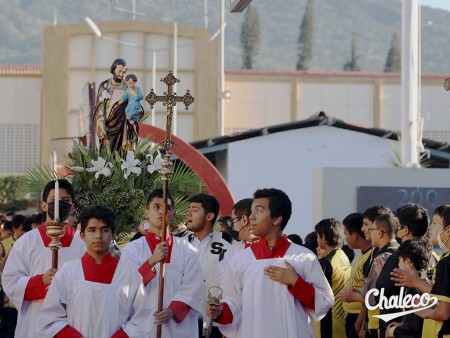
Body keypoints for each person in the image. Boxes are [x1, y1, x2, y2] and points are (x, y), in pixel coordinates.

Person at [207, 188, 334, 338]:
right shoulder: (240, 260)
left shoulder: (304, 258)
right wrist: (220, 312)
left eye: (259, 211)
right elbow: (232, 303)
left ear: (277, 219)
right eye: (252, 211)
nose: (251, 218)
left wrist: (296, 282)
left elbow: (324, 303)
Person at [36, 205, 152, 337]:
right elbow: (49, 319)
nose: (98, 236)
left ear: (113, 234)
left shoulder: (130, 275)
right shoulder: (67, 274)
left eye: (105, 230)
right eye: (92, 230)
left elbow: (142, 320)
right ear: (82, 235)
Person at [1, 179, 86, 338]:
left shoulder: (83, 243)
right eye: (54, 201)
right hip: (35, 320)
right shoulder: (26, 242)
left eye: (66, 201)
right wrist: (41, 281)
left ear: (73, 207)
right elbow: (10, 281)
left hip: (73, 320)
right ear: (44, 206)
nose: (60, 205)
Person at [121, 189, 203, 338]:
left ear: (174, 215)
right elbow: (126, 285)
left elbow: (194, 285)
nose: (161, 212)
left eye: (168, 208)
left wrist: (173, 310)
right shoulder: (133, 249)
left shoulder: (188, 250)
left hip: (179, 327)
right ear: (146, 213)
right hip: (144, 325)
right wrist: (152, 261)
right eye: (156, 207)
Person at [375, 203, 431, 338]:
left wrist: (380, 277)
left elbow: (381, 295)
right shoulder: (432, 254)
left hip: (399, 330)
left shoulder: (401, 257)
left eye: (397, 226)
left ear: (405, 230)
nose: (395, 231)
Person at [185, 193, 231, 338]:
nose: (188, 213)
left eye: (195, 209)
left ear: (209, 216)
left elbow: (232, 287)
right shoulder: (178, 243)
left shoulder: (227, 249)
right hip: (179, 320)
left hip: (213, 325)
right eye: (189, 208)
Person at [385, 237, 432, 338]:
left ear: (408, 262)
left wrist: (391, 331)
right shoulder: (425, 282)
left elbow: (413, 331)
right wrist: (403, 324)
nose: (398, 264)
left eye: (400, 260)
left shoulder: (415, 289)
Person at [94, 58, 142, 153]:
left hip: (125, 126)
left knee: (124, 154)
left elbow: (136, 103)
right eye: (119, 71)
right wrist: (100, 121)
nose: (121, 75)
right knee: (109, 154)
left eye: (123, 72)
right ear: (113, 69)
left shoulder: (128, 86)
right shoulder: (105, 86)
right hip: (109, 126)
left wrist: (138, 111)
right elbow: (99, 107)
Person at [416, 205, 450, 338]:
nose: (430, 227)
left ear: (448, 230)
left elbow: (444, 313)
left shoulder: (446, 264)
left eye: (436, 223)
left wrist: (426, 312)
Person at [315, 218, 351, 338]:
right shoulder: (344, 256)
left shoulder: (326, 263)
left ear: (323, 237)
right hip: (342, 323)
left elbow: (314, 295)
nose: (317, 240)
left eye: (318, 236)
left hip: (328, 325)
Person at [337, 212, 372, 338]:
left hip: (360, 319)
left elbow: (373, 294)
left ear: (355, 235)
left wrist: (359, 326)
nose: (345, 238)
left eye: (346, 234)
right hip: (352, 317)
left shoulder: (371, 258)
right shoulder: (361, 255)